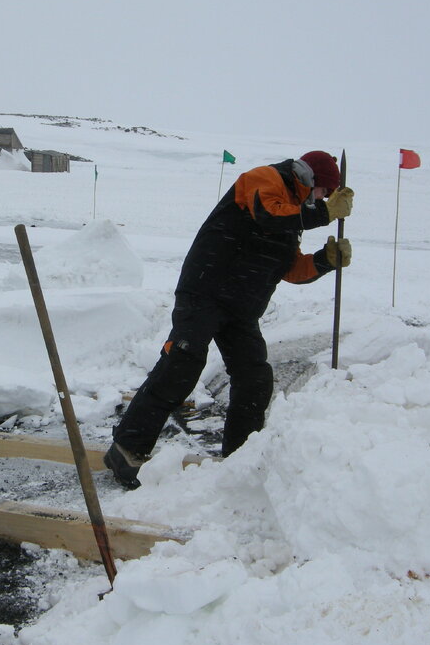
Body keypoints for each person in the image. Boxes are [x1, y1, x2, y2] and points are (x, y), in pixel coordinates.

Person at [104, 151, 354, 489]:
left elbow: (290, 268)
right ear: (310, 180)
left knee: (255, 379)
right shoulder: (265, 180)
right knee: (182, 364)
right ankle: (126, 450)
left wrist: (325, 260)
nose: (324, 200)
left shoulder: (294, 216)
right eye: (325, 193)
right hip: (206, 291)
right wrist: (324, 214)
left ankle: (239, 460)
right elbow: (269, 215)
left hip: (241, 308)